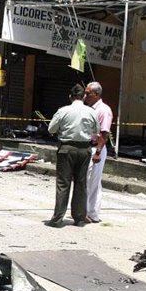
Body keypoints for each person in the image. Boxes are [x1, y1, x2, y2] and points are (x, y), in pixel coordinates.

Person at [46, 83, 100, 228]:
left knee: (63, 184)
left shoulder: (63, 111)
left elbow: (51, 128)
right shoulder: (91, 112)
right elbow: (96, 130)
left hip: (66, 149)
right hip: (84, 150)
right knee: (81, 184)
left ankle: (57, 219)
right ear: (83, 97)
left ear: (70, 97)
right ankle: (80, 219)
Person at [84, 81, 114, 223]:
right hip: (88, 147)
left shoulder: (104, 110)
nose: (85, 96)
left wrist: (98, 152)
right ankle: (87, 210)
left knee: (93, 182)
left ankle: (92, 213)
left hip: (97, 148)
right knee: (88, 180)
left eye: (88, 93)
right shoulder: (90, 108)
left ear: (96, 94)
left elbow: (104, 133)